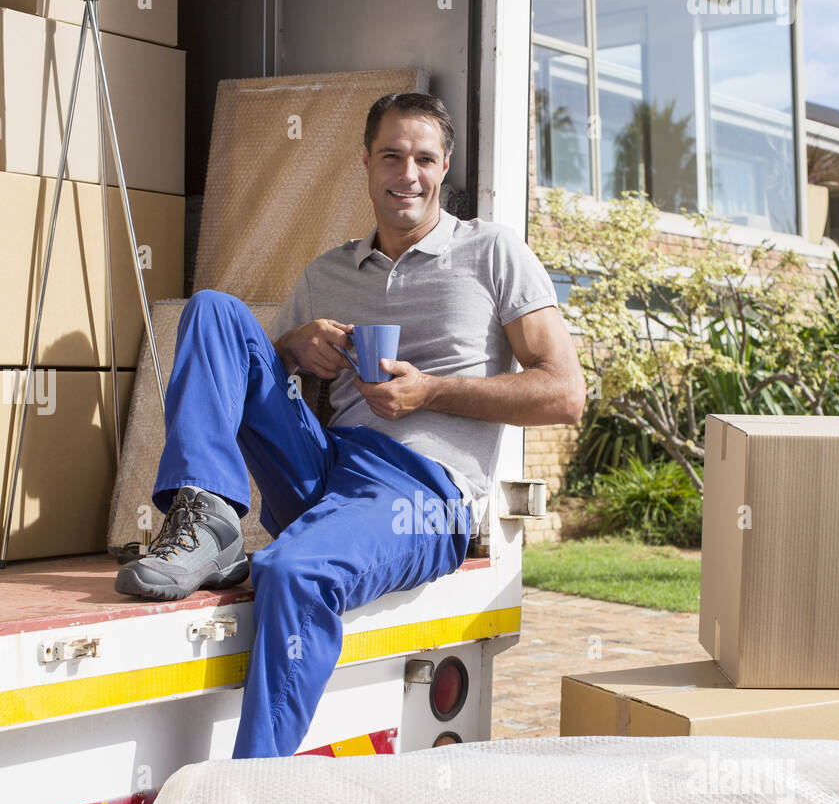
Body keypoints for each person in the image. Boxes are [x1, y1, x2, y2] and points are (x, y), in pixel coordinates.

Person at [114, 92, 585, 758]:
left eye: (423, 158)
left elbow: (564, 394)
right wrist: (293, 349)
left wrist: (429, 392)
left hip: (416, 495)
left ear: (443, 165)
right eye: (390, 155)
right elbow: (255, 387)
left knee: (291, 571)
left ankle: (252, 788)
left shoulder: (491, 252)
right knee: (216, 311)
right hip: (324, 464)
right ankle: (208, 518)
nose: (407, 173)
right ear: (365, 163)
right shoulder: (327, 272)